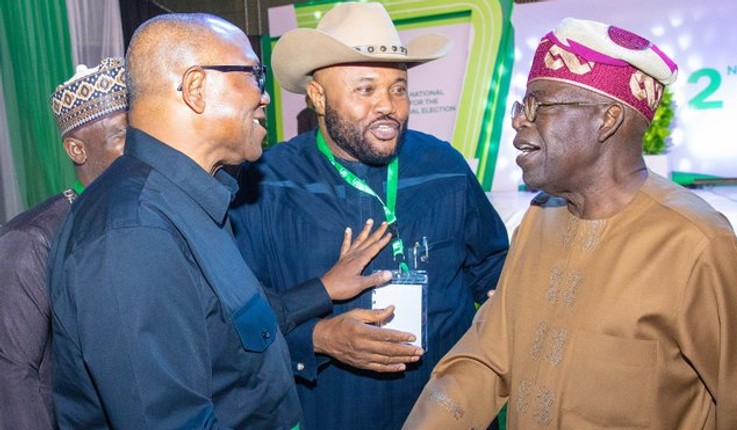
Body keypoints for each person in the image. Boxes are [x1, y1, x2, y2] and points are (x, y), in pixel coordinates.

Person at [405, 17, 737, 429]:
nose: (519, 121)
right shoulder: (538, 218)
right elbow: (484, 359)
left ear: (607, 120)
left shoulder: (697, 244)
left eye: (540, 104)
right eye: (522, 106)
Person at [230, 2, 509, 429]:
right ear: (318, 97)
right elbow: (238, 314)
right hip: (336, 412)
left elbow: (492, 264)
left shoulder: (443, 165)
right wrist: (320, 339)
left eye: (398, 88)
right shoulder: (266, 185)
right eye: (366, 89)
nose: (389, 107)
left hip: (447, 412)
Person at [47, 14, 309, 429]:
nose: (265, 97)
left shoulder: (189, 202)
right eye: (254, 74)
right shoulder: (131, 233)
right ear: (196, 88)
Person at [0, 57, 127, 430]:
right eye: (121, 135)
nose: (138, 147)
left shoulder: (140, 219)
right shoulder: (31, 241)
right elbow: (12, 376)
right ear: (77, 150)